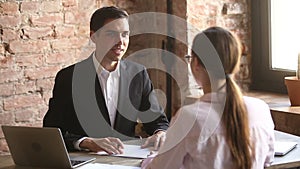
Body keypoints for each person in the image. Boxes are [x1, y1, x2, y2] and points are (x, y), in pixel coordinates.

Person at [141, 27, 275, 169]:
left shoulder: (189, 117)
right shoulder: (261, 108)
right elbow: (268, 160)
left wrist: (150, 159)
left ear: (196, 63)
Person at [43, 6, 169, 154]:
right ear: (94, 36)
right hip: (85, 160)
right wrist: (87, 142)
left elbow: (157, 120)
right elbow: (52, 131)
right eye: (111, 34)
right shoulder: (68, 77)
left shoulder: (138, 74)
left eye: (125, 34)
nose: (120, 41)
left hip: (125, 158)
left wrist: (160, 133)